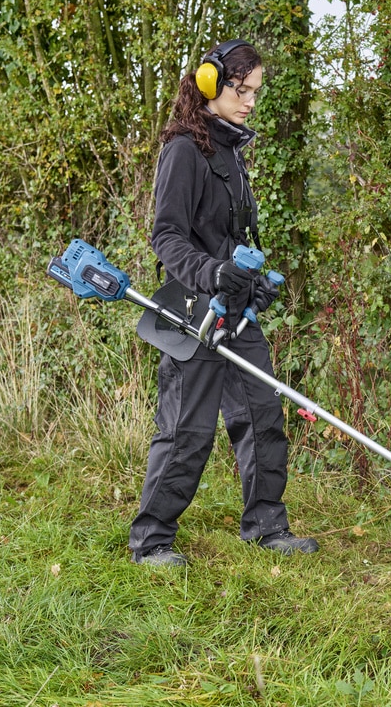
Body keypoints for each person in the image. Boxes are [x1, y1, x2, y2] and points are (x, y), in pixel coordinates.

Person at [129, 39, 318, 567]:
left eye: (255, 91)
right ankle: (152, 540)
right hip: (194, 311)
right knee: (187, 429)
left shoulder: (232, 153)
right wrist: (213, 273)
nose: (250, 100)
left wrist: (251, 281)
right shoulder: (184, 151)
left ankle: (265, 526)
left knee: (262, 415)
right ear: (211, 84)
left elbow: (232, 240)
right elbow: (167, 237)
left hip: (236, 310)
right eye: (242, 89)